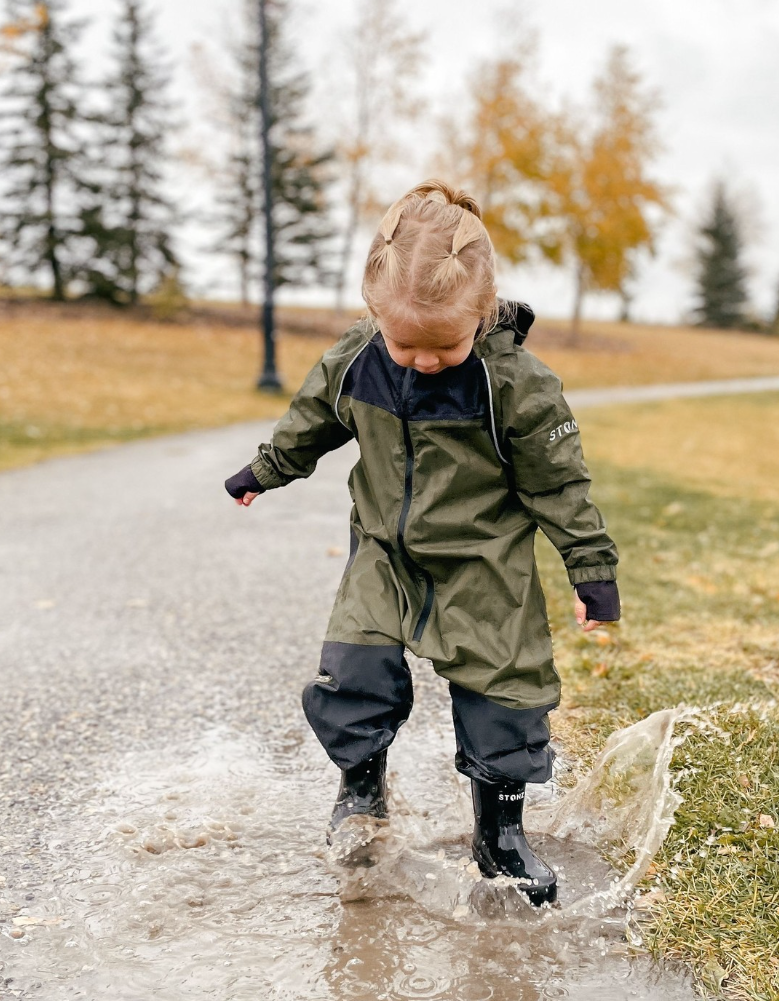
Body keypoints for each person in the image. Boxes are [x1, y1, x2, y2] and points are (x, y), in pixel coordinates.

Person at [224, 180, 620, 907]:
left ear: (482, 312)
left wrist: (590, 569)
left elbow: (561, 485)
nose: (422, 362)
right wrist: (267, 468)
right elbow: (311, 419)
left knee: (504, 693)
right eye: (404, 343)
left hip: (483, 564)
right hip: (385, 553)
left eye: (445, 345)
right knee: (355, 670)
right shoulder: (357, 359)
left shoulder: (518, 389)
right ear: (375, 312)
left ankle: (500, 835)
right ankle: (362, 792)